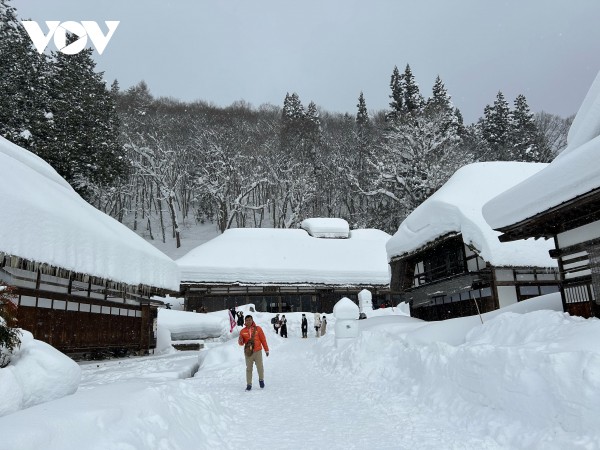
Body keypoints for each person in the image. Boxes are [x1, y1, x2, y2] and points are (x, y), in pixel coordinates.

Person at [238, 315, 269, 391]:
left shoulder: (258, 329)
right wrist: (240, 340)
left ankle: (261, 380)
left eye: (249, 320)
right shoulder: (242, 331)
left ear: (252, 320)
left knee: (260, 367)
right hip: (248, 353)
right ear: (245, 321)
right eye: (247, 320)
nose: (248, 321)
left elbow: (263, 339)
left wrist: (266, 350)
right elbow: (241, 343)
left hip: (258, 351)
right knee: (249, 369)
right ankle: (249, 384)